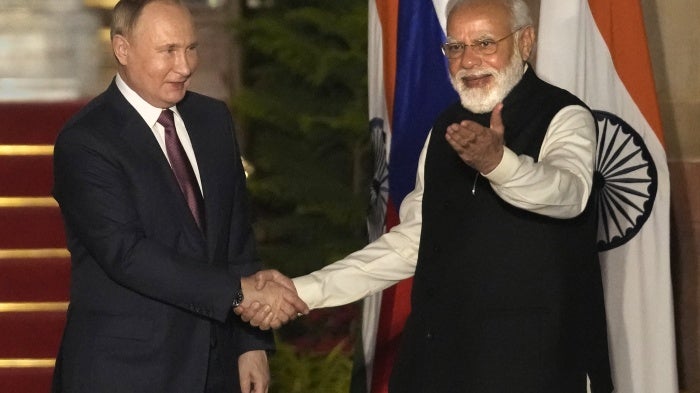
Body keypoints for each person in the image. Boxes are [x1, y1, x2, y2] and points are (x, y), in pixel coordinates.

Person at [237, 0, 614, 392]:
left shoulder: (566, 116)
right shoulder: (446, 127)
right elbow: (414, 242)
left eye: (485, 43)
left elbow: (570, 193)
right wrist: (304, 290)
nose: (468, 61)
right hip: (437, 368)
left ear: (525, 41)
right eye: (455, 47)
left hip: (537, 369)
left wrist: (498, 163)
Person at [51, 1, 308, 392]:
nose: (186, 65)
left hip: (215, 369)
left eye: (191, 48)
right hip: (125, 372)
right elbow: (127, 254)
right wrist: (239, 294)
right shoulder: (86, 141)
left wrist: (249, 345)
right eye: (168, 51)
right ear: (122, 49)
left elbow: (236, 239)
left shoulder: (213, 120)